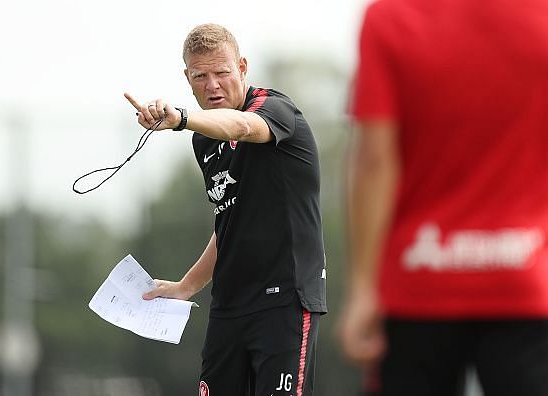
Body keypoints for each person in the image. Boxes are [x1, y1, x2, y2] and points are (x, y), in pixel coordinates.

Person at [337, 0, 548, 395]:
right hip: (525, 276)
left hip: (417, 280)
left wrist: (363, 288)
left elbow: (374, 160)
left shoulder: (390, 17)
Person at [125, 23, 327, 396]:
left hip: (284, 301)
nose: (212, 84)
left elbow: (243, 127)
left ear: (243, 67)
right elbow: (228, 223)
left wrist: (180, 118)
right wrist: (187, 286)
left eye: (222, 72)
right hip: (230, 306)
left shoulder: (274, 109)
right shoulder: (204, 140)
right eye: (201, 76)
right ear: (188, 77)